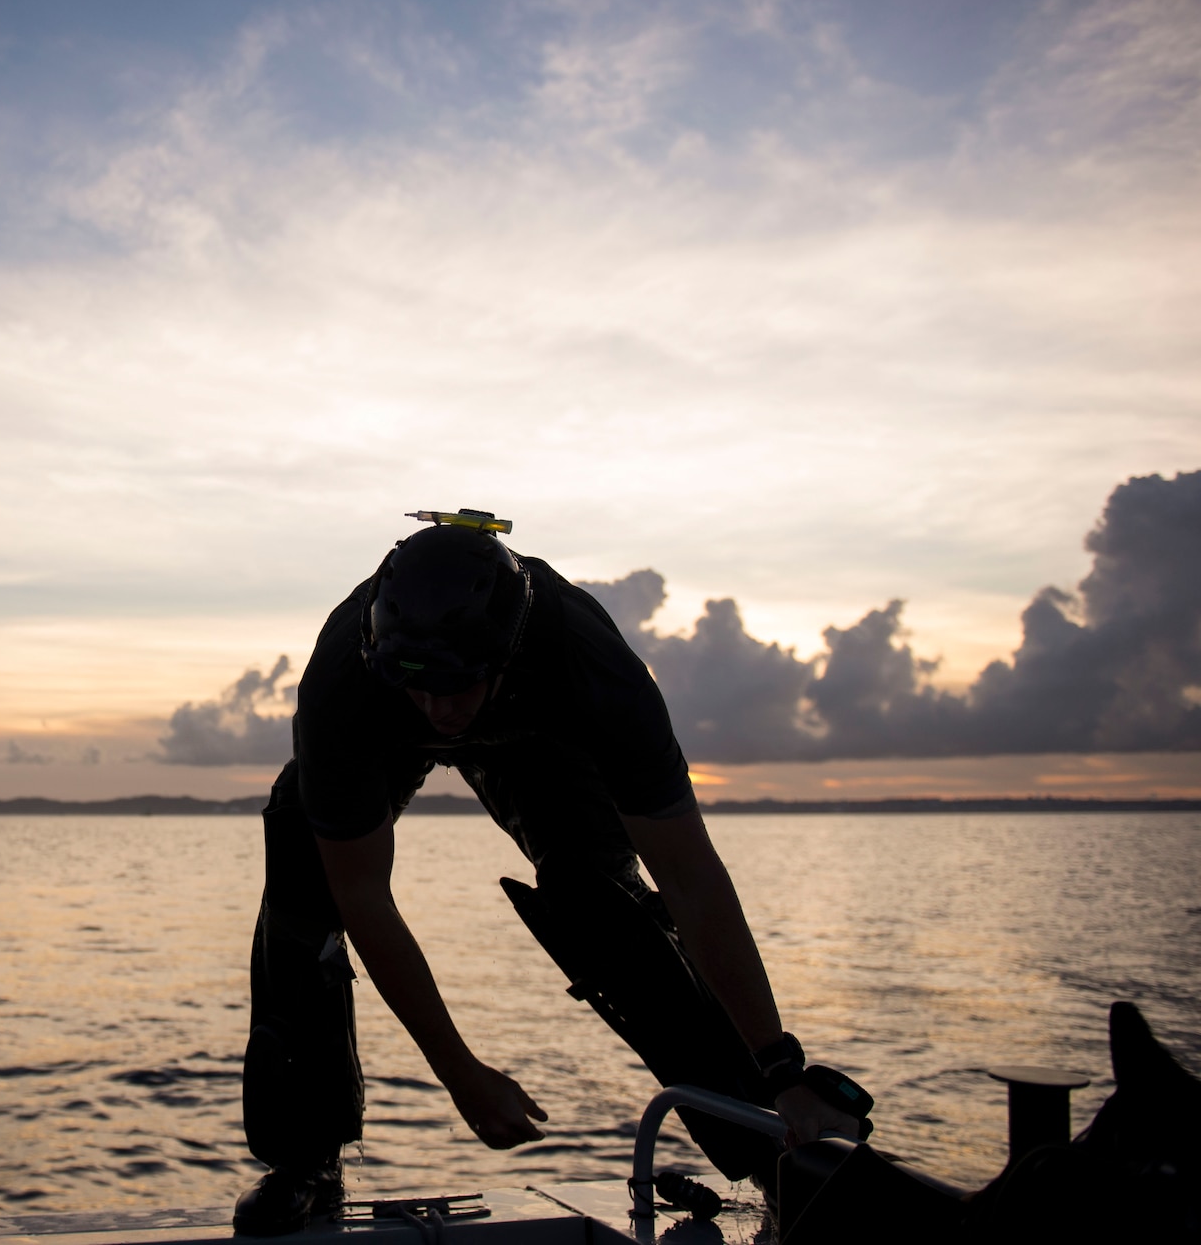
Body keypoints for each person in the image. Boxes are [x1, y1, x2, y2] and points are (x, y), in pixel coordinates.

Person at [234, 510, 866, 1235]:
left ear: (502, 656)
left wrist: (781, 1069)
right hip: (381, 735)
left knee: (601, 901)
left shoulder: (590, 665)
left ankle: (768, 1142)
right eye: (418, 681)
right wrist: (459, 1071)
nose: (441, 709)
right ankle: (305, 1157)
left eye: (459, 683)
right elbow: (363, 895)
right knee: (300, 856)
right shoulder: (345, 681)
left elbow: (691, 876)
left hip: (539, 739)